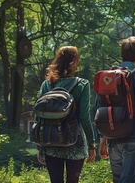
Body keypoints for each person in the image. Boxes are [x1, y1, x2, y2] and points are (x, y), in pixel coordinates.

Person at [99, 36, 135, 183]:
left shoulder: (108, 77)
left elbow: (101, 108)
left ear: (122, 54)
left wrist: (102, 140)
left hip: (113, 138)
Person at [37, 46, 96, 183]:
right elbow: (84, 117)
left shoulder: (47, 84)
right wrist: (92, 144)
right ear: (74, 62)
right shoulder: (82, 84)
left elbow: (39, 116)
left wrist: (40, 146)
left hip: (51, 141)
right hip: (75, 141)